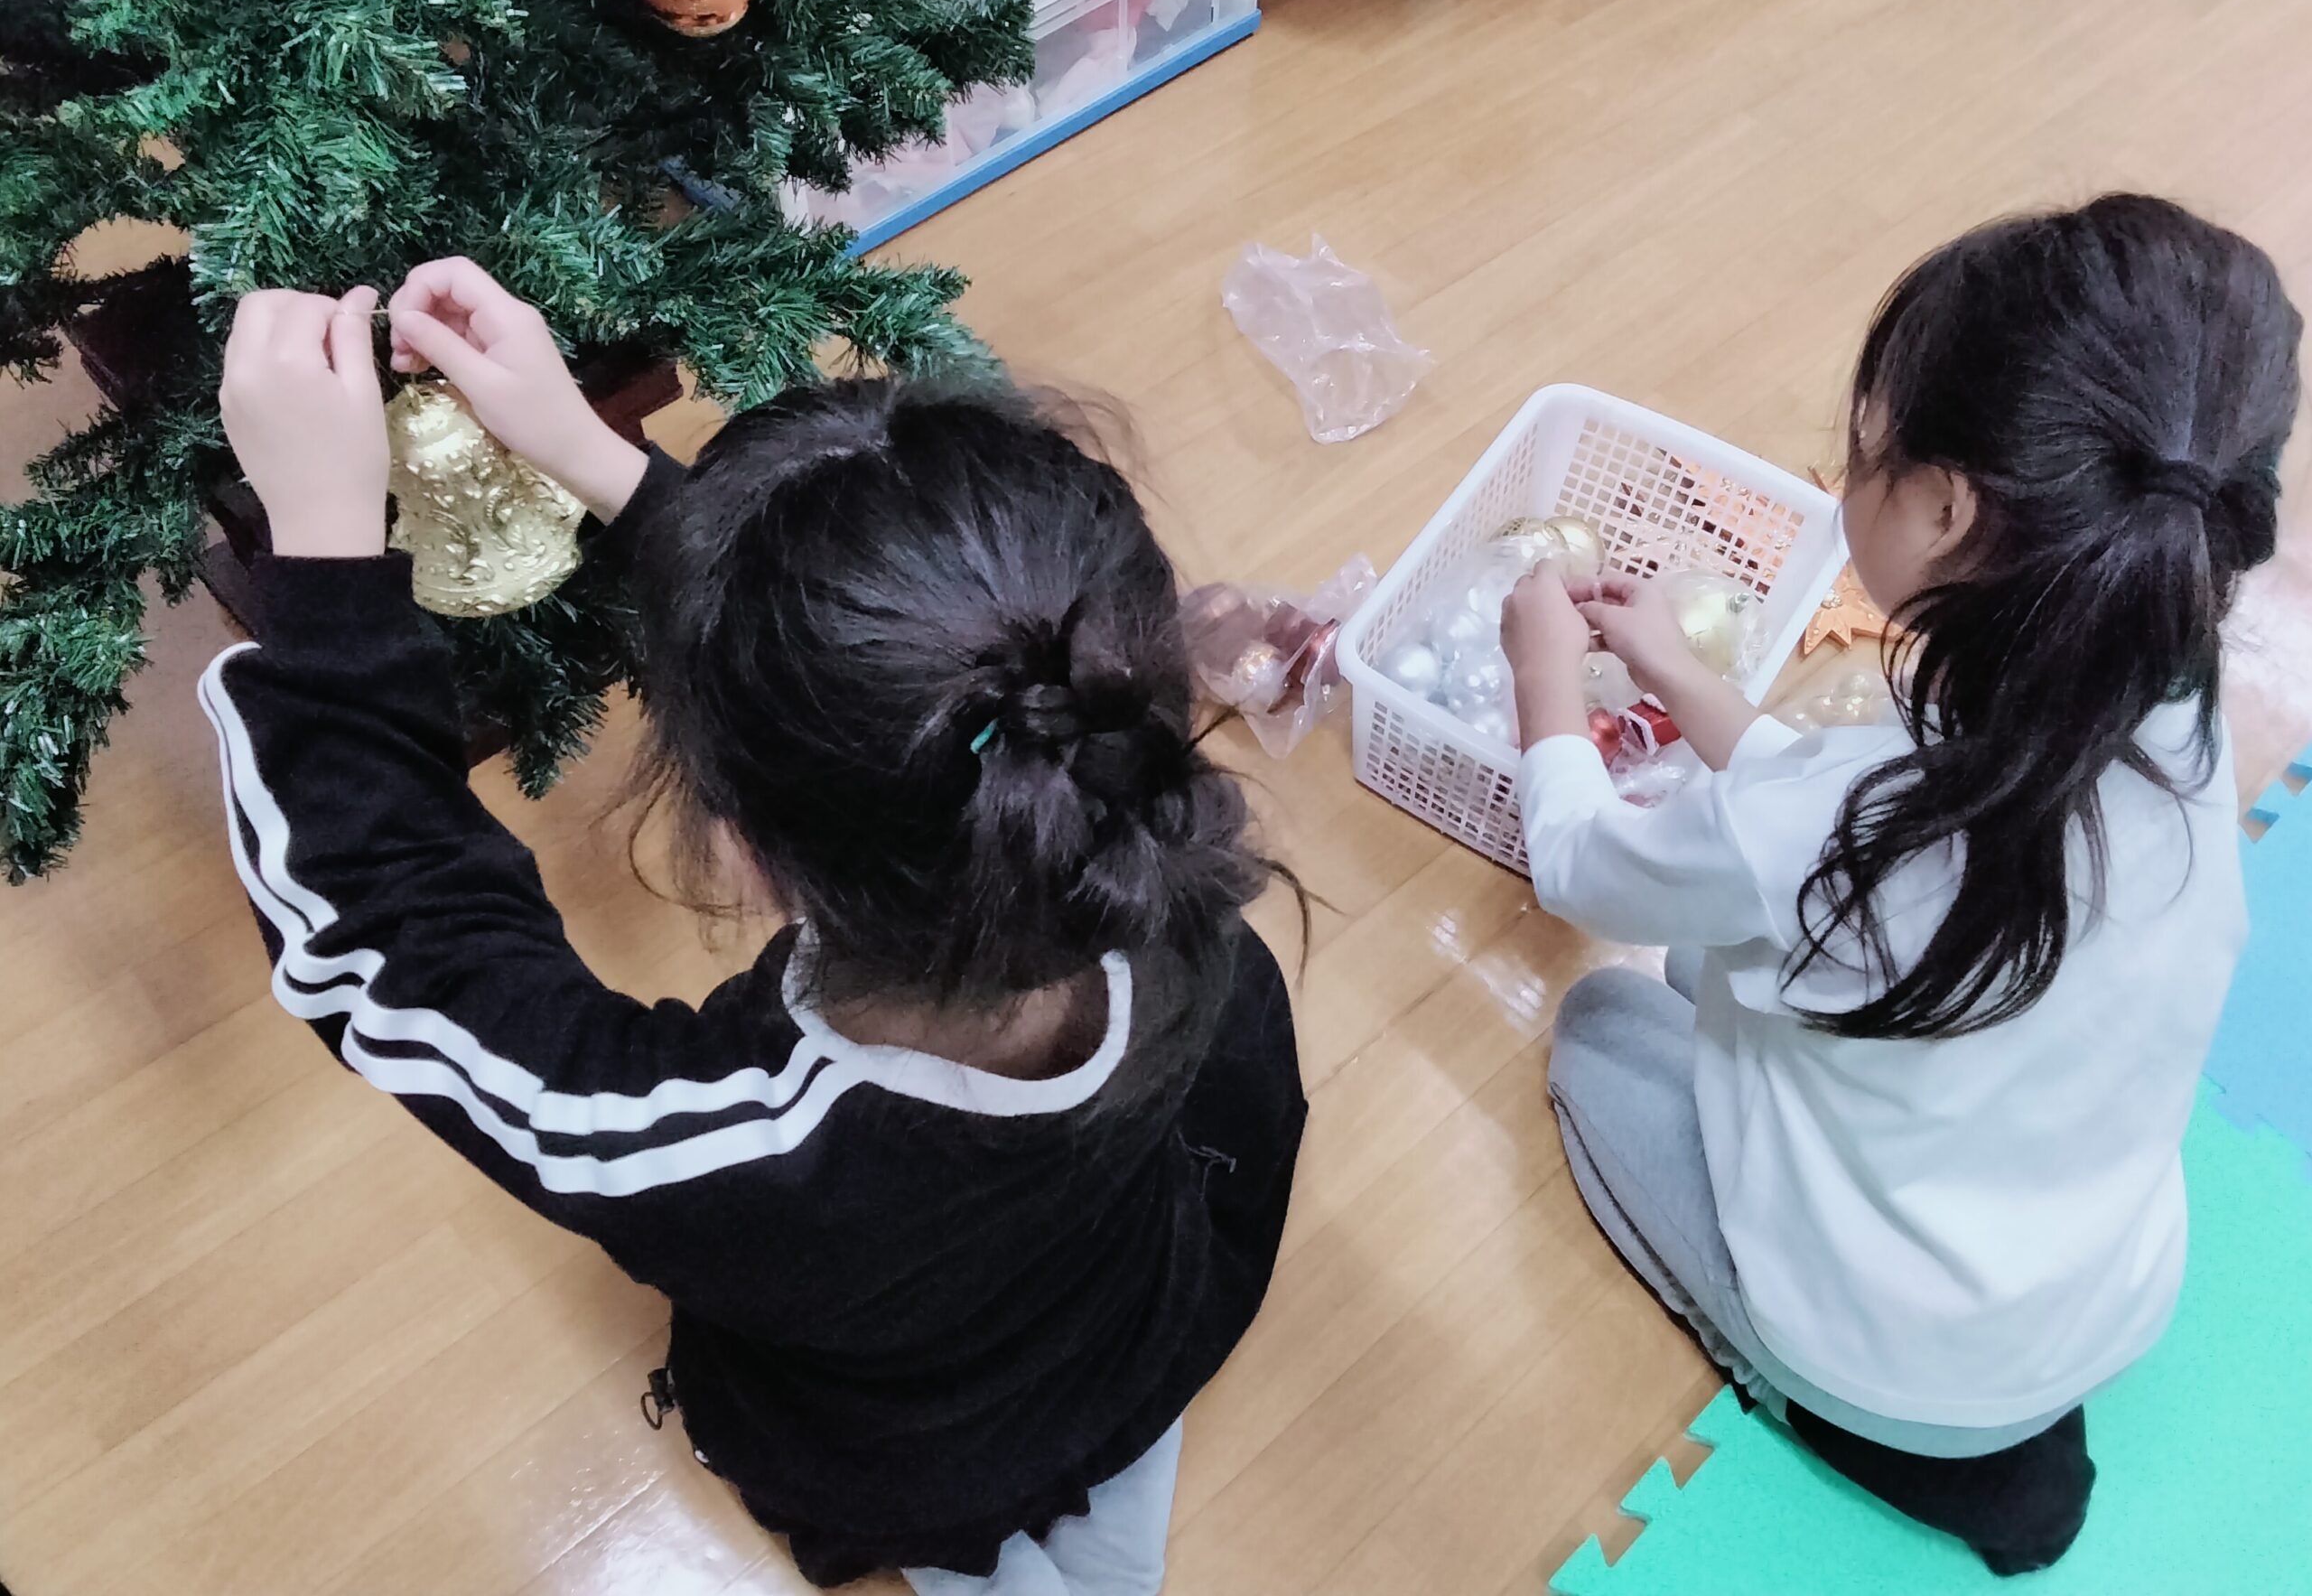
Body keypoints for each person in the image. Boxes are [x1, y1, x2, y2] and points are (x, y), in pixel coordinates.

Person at [204, 261, 1307, 1595]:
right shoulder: (1153, 845)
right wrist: (588, 453)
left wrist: (325, 571)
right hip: (1147, 1297)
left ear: (744, 858)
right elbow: (891, 670)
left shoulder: (747, 1157)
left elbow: (390, 941)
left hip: (924, 1451)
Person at [1497, 195, 2299, 1573]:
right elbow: (1828, 839)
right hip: (2095, 1291)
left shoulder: (1840, 825)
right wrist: (1686, 682)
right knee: (1710, 961)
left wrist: (1542, 687)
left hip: (1884, 1358)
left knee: (1603, 1020)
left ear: (1944, 507)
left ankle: (1835, 1410)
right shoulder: (2175, 722)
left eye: (1865, 451)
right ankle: (1954, 1410)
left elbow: (1580, 866)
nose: (1848, 479)